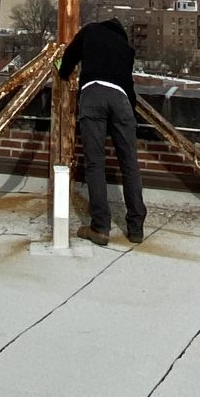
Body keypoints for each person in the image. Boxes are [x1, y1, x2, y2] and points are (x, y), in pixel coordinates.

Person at [58, 17, 146, 246]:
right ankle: (136, 228)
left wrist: (62, 72)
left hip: (93, 94)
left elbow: (68, 59)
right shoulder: (126, 48)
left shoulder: (90, 31)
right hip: (122, 100)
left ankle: (100, 227)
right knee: (129, 163)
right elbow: (130, 87)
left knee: (95, 162)